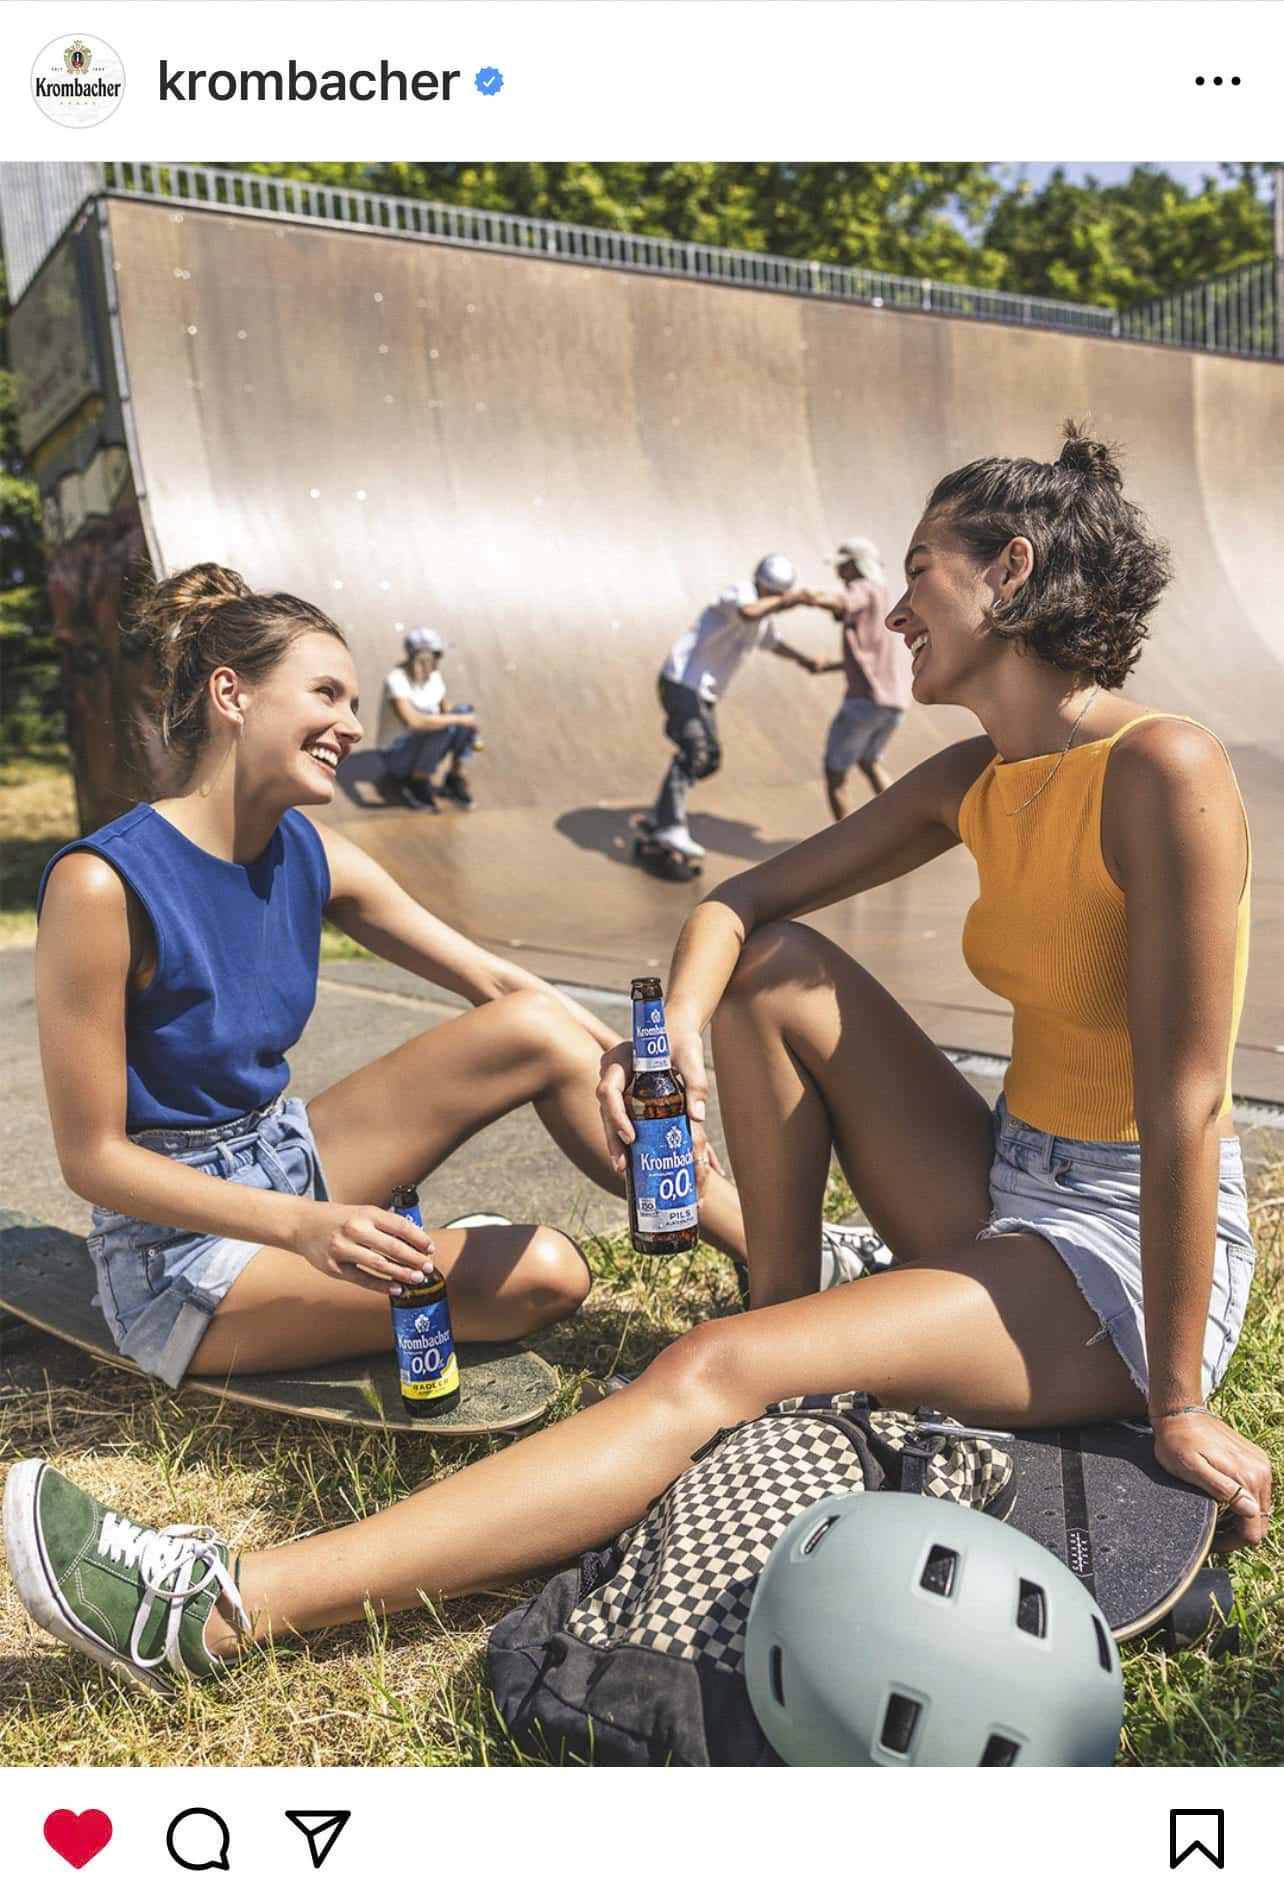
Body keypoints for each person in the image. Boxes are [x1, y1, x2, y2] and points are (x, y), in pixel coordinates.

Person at [7, 432, 1271, 1695]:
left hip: (1122, 1246)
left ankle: (221, 1607)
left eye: (919, 568)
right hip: (1006, 1181)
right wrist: (675, 1063)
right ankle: (784, 1308)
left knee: (706, 1374)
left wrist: (1174, 1406)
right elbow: (737, 909)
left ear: (1011, 572)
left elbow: (1189, 1105)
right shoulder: (974, 778)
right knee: (777, 968)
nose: (892, 606)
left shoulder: (1165, 768)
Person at [26, 562, 758, 1395]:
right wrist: (303, 1227)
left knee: (536, 1025)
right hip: (178, 1249)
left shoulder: (310, 852)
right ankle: (422, 1261)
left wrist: (624, 1062)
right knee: (547, 1271)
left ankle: (782, 1263)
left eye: (353, 703)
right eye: (327, 695)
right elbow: (93, 1159)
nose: (352, 726)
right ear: (233, 696)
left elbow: (492, 978)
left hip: (290, 1158)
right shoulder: (103, 883)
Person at [645, 555, 817, 859]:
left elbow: (774, 643)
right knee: (694, 751)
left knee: (708, 759)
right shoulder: (739, 594)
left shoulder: (763, 617)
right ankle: (669, 826)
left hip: (703, 694)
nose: (774, 601)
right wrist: (785, 601)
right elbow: (748, 612)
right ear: (763, 587)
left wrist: (806, 659)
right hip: (681, 682)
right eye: (773, 595)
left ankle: (660, 817)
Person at [804, 537, 911, 820]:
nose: (838, 572)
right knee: (869, 762)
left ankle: (845, 845)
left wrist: (807, 598)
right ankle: (902, 824)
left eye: (842, 566)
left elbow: (842, 602)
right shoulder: (885, 598)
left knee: (835, 772)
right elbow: (871, 656)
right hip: (894, 703)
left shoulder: (862, 589)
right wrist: (832, 666)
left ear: (855, 565)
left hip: (864, 702)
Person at [378, 626, 480, 812]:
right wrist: (458, 720)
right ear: (423, 655)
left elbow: (449, 711)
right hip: (396, 757)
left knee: (464, 712)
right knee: (445, 724)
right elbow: (413, 722)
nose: (440, 659)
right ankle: (417, 783)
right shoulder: (396, 680)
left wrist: (468, 728)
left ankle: (455, 777)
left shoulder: (434, 678)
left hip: (424, 748)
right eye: (437, 654)